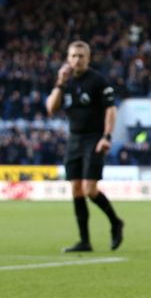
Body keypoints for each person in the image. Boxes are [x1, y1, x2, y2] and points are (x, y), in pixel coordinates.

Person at [45, 40, 124, 252]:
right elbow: (50, 108)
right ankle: (84, 241)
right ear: (67, 59)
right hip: (74, 139)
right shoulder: (66, 82)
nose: (77, 60)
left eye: (81, 56)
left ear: (88, 58)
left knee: (90, 189)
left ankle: (116, 222)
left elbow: (110, 110)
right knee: (76, 189)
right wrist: (60, 82)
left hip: (94, 138)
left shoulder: (98, 81)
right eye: (73, 56)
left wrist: (106, 136)